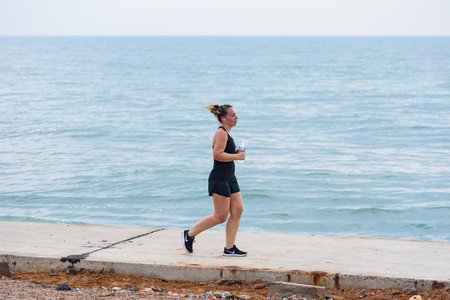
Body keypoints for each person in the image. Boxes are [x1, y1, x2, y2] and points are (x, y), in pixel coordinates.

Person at [182, 104, 247, 257]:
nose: (236, 117)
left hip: (230, 177)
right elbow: (217, 155)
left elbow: (224, 153)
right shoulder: (221, 133)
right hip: (220, 178)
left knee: (237, 210)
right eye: (232, 115)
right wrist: (237, 157)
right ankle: (189, 234)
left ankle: (229, 248)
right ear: (223, 118)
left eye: (236, 114)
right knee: (220, 216)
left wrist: (236, 153)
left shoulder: (228, 133)